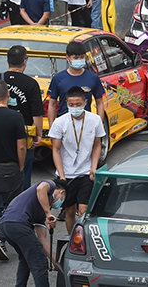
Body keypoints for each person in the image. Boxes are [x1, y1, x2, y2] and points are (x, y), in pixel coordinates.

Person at [0, 45, 43, 189]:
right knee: (23, 175)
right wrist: (38, 135)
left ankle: (1, 208)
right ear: (24, 62)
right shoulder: (31, 84)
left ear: (7, 60)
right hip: (24, 136)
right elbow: (37, 114)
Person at [0, 79, 27, 260]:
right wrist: (21, 166)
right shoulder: (16, 117)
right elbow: (21, 147)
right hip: (9, 168)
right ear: (8, 95)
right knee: (12, 208)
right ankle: (3, 238)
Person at [49, 86, 105, 233]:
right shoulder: (59, 123)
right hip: (67, 173)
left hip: (86, 172)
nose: (75, 108)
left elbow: (97, 145)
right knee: (69, 210)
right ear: (66, 103)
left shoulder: (95, 120)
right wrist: (61, 175)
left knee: (83, 210)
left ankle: (84, 240)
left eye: (78, 105)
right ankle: (71, 239)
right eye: (71, 105)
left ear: (85, 102)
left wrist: (93, 167)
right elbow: (55, 149)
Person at [0, 178, 66, 287]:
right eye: (63, 198)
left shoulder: (40, 213)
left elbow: (42, 239)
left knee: (26, 258)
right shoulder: (51, 185)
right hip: (17, 224)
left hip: (6, 226)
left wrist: (56, 263)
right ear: (62, 192)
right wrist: (48, 213)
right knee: (39, 261)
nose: (61, 203)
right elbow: (40, 189)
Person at [45, 41, 105, 126]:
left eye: (82, 57)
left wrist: (99, 125)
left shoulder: (93, 77)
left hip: (86, 125)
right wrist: (52, 126)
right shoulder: (58, 78)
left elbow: (100, 102)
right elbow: (52, 104)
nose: (79, 60)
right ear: (67, 58)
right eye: (75, 58)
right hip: (64, 124)